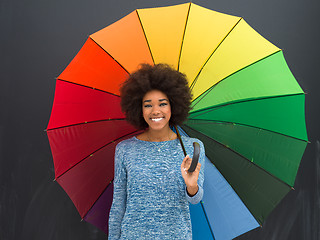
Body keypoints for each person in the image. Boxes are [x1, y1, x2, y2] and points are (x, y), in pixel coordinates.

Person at [108, 63, 205, 240]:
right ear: (139, 109)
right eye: (148, 105)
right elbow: (118, 205)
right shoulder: (124, 150)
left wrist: (191, 185)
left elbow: (195, 199)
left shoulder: (192, 147)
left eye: (162, 104)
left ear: (173, 105)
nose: (155, 111)